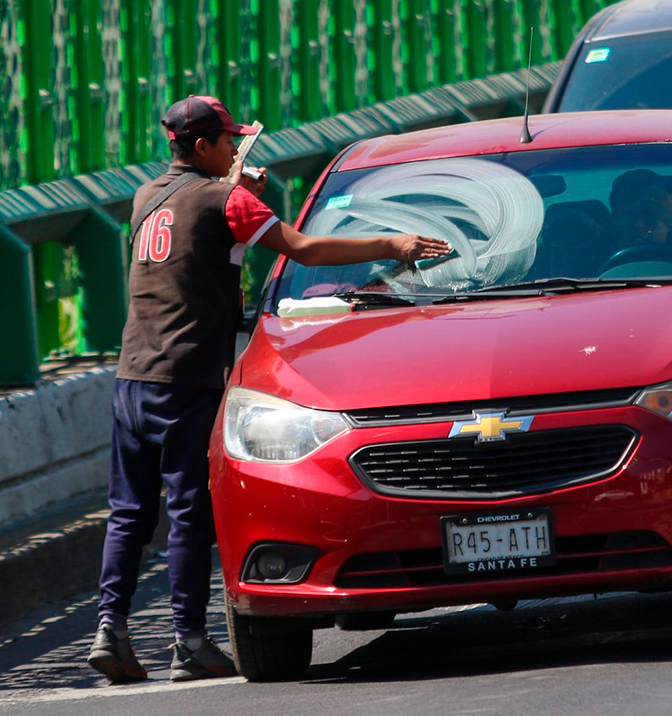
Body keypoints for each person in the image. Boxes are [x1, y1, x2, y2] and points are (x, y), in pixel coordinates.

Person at [86, 95, 449, 685]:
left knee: (128, 514)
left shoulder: (145, 198)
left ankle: (111, 629)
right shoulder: (228, 199)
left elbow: (194, 227)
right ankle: (190, 643)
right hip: (187, 377)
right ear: (202, 146)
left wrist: (234, 185)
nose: (235, 147)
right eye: (228, 140)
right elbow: (302, 248)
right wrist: (392, 245)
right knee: (187, 512)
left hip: (132, 377)